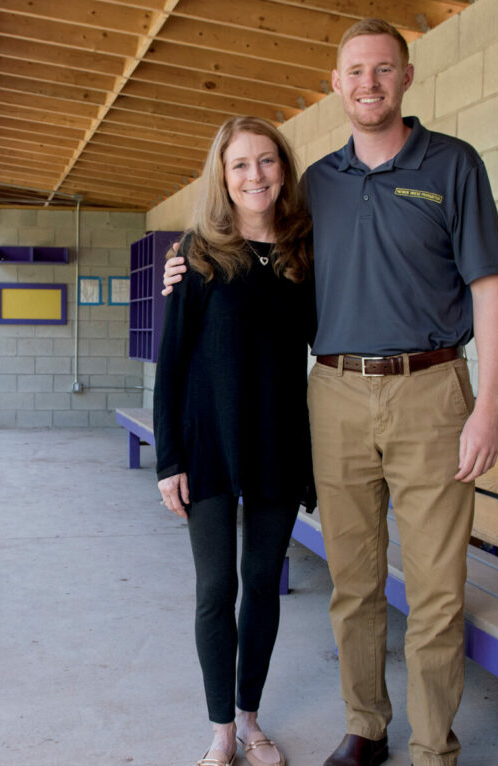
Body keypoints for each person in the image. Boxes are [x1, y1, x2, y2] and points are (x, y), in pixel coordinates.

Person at [163, 19, 498, 766]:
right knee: (353, 584)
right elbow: (250, 253)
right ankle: (366, 728)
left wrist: (489, 405)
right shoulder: (316, 185)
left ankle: (431, 748)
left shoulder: (453, 165)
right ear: (336, 85)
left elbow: (490, 290)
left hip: (432, 391)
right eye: (355, 71)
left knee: (436, 592)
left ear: (406, 77)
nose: (369, 84)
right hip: (336, 393)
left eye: (383, 70)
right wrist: (182, 270)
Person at [155, 115, 315, 766]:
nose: (256, 175)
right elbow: (171, 365)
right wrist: (169, 461)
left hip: (278, 442)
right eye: (241, 164)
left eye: (267, 161)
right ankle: (220, 728)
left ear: (284, 170)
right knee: (216, 589)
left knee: (261, 584)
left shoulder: (302, 255)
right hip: (209, 444)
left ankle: (251, 717)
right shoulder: (196, 255)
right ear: (223, 175)